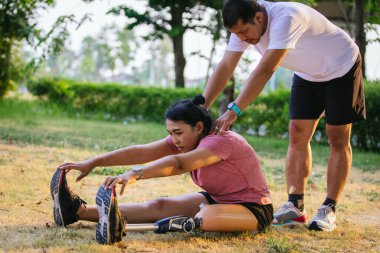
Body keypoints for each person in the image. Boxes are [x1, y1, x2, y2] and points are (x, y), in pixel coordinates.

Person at [202, 0, 366, 232]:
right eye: (236, 34)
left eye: (244, 32)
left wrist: (234, 110)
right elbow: (227, 65)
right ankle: (295, 206)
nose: (242, 39)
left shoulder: (286, 18)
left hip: (341, 67)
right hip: (308, 74)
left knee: (337, 136)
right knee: (297, 134)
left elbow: (266, 69)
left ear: (259, 18)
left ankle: (329, 208)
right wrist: (202, 105)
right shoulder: (242, 28)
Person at [51, 94, 273, 244]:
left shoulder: (220, 141)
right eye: (170, 133)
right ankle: (76, 212)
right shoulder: (185, 139)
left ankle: (120, 228)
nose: (174, 139)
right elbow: (140, 152)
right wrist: (93, 162)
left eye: (178, 132)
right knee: (159, 205)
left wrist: (135, 174)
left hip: (252, 210)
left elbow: (179, 164)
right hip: (218, 199)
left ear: (198, 127)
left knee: (204, 214)